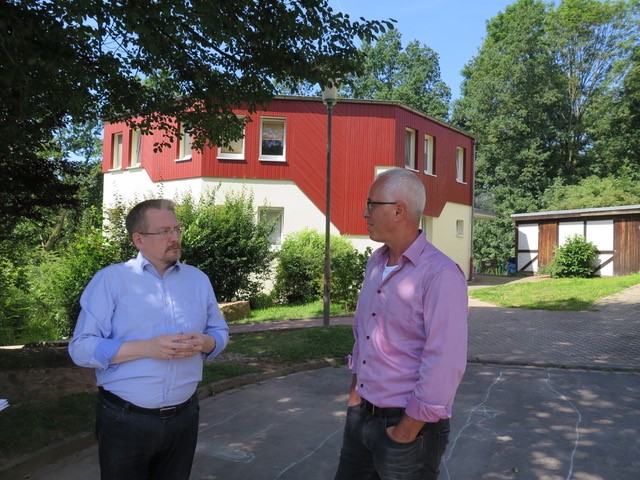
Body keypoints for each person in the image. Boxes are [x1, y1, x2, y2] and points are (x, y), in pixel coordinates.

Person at [69, 199, 229, 480]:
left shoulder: (198, 280)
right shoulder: (111, 281)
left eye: (177, 229)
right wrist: (148, 348)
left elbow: (220, 331)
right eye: (164, 231)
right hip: (125, 420)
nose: (175, 237)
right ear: (139, 239)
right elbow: (81, 348)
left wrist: (206, 343)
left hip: (185, 417)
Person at [334, 168, 468, 480]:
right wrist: (356, 396)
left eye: (371, 204)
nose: (364, 212)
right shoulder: (376, 262)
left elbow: (444, 363)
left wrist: (406, 431)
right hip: (361, 417)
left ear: (399, 211)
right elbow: (364, 333)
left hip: (408, 431)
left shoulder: (440, 275)